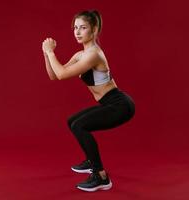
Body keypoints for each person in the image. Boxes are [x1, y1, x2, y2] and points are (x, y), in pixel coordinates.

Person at [42, 10, 135, 192]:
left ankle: (101, 176)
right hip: (109, 103)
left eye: (83, 28)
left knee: (79, 126)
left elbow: (60, 74)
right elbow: (54, 75)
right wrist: (47, 55)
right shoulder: (80, 55)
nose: (77, 32)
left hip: (120, 105)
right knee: (72, 122)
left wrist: (50, 51)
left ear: (94, 30)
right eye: (75, 28)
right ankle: (91, 160)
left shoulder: (94, 54)